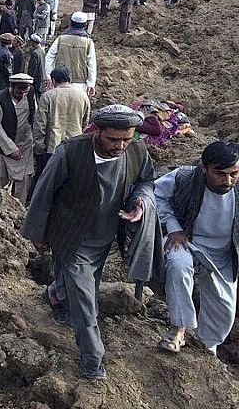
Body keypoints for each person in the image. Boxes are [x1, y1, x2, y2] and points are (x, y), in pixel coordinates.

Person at [22, 105, 157, 380]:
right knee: (85, 297)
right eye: (113, 139)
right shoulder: (71, 151)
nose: (120, 146)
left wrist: (141, 202)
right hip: (70, 233)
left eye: (126, 139)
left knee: (84, 283)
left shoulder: (137, 151)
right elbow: (44, 191)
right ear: (97, 131)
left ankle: (56, 295)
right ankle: (92, 360)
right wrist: (37, 232)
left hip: (105, 234)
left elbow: (146, 181)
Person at [156, 141, 239, 355]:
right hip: (188, 242)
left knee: (224, 312)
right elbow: (154, 195)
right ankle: (178, 329)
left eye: (234, 173)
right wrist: (173, 227)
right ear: (204, 168)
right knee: (178, 264)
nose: (227, 180)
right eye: (220, 174)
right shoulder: (185, 177)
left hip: (224, 254)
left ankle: (207, 350)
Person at [32, 66, 90, 186]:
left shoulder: (48, 96)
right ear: (69, 79)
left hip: (52, 146)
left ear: (53, 81)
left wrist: (39, 145)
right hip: (74, 145)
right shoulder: (83, 96)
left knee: (48, 182)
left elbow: (40, 123)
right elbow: (85, 121)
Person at [0, 73, 36, 205]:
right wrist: (11, 149)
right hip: (4, 146)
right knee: (3, 178)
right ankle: (1, 207)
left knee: (25, 179)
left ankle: (19, 208)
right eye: (19, 92)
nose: (22, 95)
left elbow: (34, 115)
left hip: (25, 143)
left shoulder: (31, 95)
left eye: (25, 92)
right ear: (12, 87)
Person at [45, 12, 96, 98]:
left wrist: (49, 77)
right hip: (80, 83)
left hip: (60, 81)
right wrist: (91, 83)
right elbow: (91, 64)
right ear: (85, 25)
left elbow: (49, 58)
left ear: (71, 23)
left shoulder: (60, 39)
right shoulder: (88, 42)